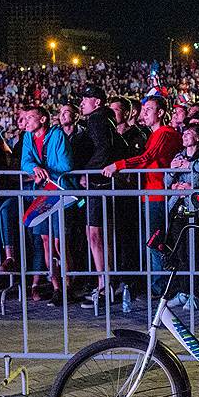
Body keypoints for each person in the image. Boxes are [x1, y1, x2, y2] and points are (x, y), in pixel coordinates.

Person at [103, 96, 181, 297]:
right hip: (149, 193)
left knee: (156, 241)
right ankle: (157, 284)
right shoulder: (153, 134)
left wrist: (118, 165)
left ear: (161, 113)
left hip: (158, 194)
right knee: (150, 240)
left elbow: (148, 157)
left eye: (148, 109)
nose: (143, 113)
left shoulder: (166, 133)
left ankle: (162, 286)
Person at [22, 105, 81, 306]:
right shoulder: (28, 137)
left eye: (31, 117)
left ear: (43, 119)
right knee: (46, 242)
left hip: (60, 193)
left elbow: (66, 165)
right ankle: (57, 287)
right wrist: (34, 168)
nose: (26, 121)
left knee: (59, 243)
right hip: (41, 194)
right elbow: (25, 162)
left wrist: (43, 171)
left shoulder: (58, 136)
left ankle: (68, 285)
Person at [73, 85, 123, 309]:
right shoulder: (104, 119)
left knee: (96, 234)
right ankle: (105, 282)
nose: (82, 102)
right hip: (102, 183)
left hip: (98, 183)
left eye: (86, 98)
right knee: (99, 233)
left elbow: (104, 148)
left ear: (98, 102)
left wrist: (88, 173)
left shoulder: (97, 119)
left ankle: (104, 286)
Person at [163, 123, 199, 310]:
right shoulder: (178, 156)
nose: (185, 136)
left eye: (189, 133)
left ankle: (196, 295)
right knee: (180, 254)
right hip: (177, 211)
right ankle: (183, 291)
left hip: (196, 212)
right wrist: (172, 172)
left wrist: (190, 167)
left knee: (194, 254)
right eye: (184, 133)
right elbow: (167, 180)